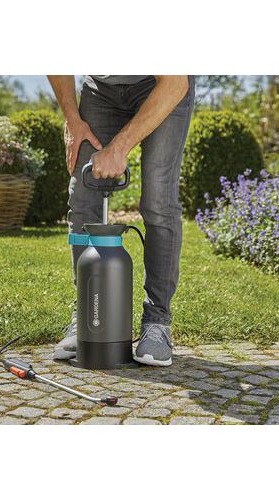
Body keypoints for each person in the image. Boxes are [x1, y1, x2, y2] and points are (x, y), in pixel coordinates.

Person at [48, 75, 194, 366]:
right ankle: (87, 317)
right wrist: (73, 121)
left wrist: (118, 148)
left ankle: (157, 322)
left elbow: (175, 83)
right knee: (82, 197)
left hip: (161, 84)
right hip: (100, 89)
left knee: (158, 200)